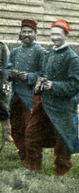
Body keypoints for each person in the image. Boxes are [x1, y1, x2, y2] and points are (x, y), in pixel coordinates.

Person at [24, 19, 79, 176]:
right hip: (45, 105)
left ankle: (61, 175)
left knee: (63, 143)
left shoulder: (72, 58)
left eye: (58, 34)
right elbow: (43, 74)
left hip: (63, 109)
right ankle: (32, 170)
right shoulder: (48, 54)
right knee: (31, 135)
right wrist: (39, 83)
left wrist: (53, 85)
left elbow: (74, 86)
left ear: (65, 35)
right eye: (52, 34)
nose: (54, 37)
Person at [3, 19, 45, 164]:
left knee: (31, 130)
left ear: (36, 34)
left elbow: (45, 73)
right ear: (20, 33)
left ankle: (34, 158)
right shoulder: (14, 52)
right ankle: (23, 155)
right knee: (16, 128)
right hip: (16, 96)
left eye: (30, 32)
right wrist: (10, 74)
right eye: (24, 32)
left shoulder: (41, 52)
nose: (26, 35)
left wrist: (29, 76)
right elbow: (6, 68)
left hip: (32, 98)